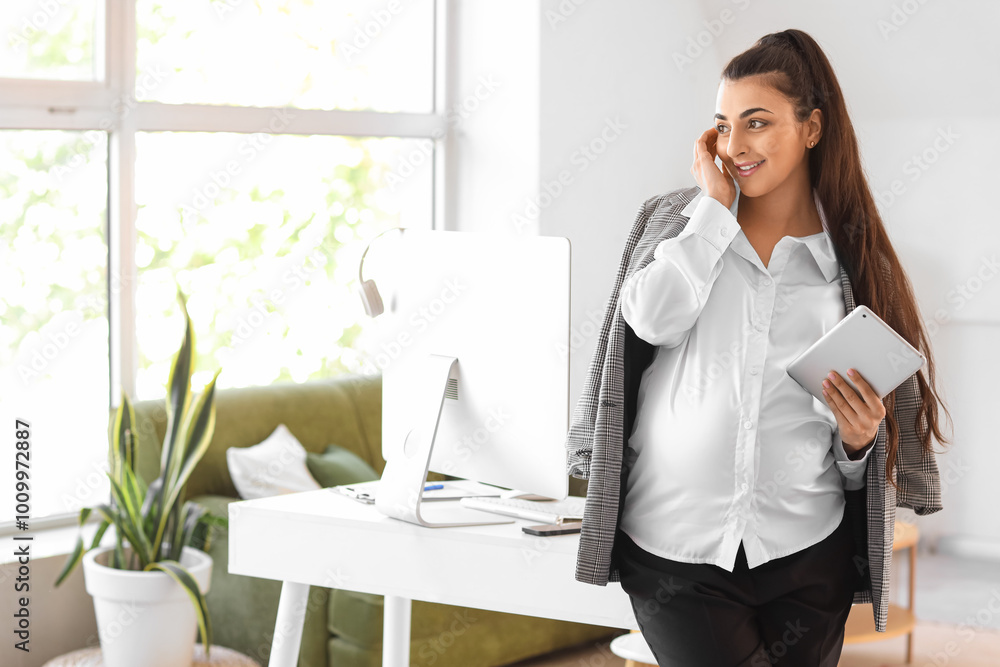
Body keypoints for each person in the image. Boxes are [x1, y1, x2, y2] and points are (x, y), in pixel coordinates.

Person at [602, 29, 951, 666]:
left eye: (756, 124)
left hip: (804, 553)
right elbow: (650, 322)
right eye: (723, 126)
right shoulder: (676, 227)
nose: (735, 146)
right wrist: (712, 210)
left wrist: (857, 441)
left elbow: (849, 458)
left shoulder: (853, 266)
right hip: (676, 549)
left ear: (812, 128)